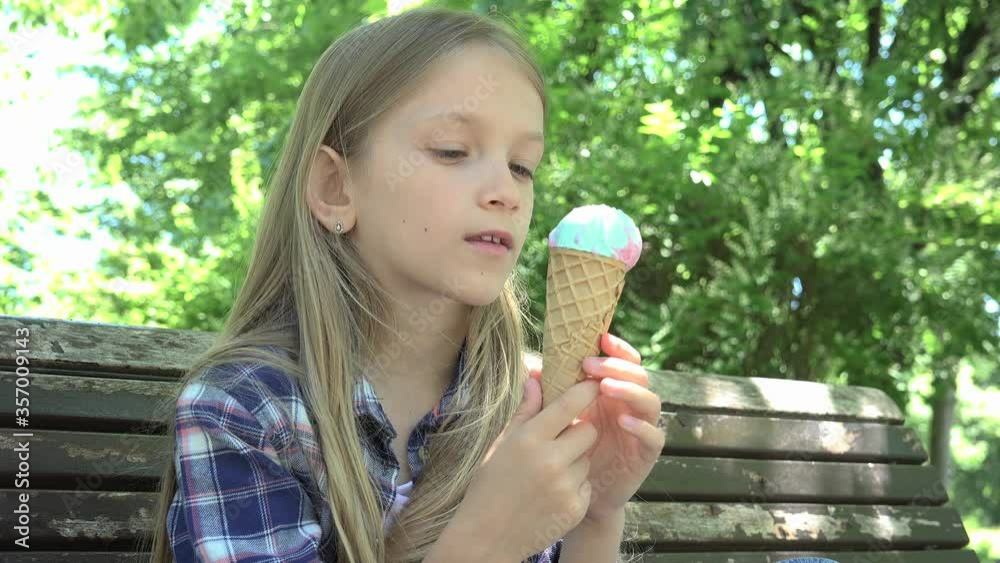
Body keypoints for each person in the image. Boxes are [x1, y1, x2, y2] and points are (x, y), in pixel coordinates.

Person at [143, 7, 669, 563]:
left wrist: (596, 514)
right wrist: (487, 540)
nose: (506, 192)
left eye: (522, 166)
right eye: (451, 150)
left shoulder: (519, 406)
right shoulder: (249, 409)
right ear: (335, 186)